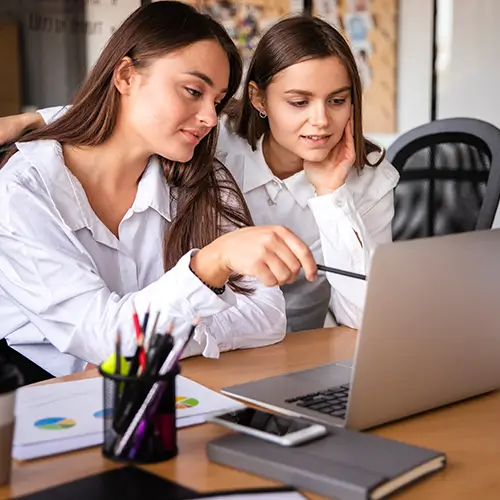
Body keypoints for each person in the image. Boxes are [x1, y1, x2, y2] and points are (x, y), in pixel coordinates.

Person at [0, 15, 399, 333]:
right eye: (298, 101)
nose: (321, 121)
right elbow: (122, 120)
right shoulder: (214, 145)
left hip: (296, 350)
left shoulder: (371, 177)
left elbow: (355, 318)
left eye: (338, 100)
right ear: (258, 98)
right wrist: (37, 120)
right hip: (197, 357)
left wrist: (332, 196)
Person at [0, 2, 318, 378]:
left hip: (169, 392)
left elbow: (267, 315)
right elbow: (109, 340)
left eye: (216, 101)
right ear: (125, 76)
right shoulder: (23, 190)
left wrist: (145, 345)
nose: (210, 118)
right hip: (48, 405)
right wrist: (208, 267)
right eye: (191, 90)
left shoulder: (203, 178)